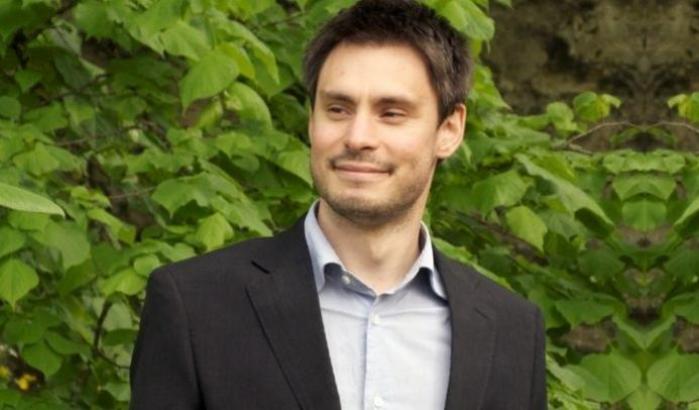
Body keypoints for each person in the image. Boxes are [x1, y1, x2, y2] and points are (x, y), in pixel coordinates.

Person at [129, 0, 547, 409]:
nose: (358, 137)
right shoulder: (196, 306)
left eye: (392, 113)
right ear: (311, 119)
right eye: (338, 109)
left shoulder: (512, 331)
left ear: (449, 130)